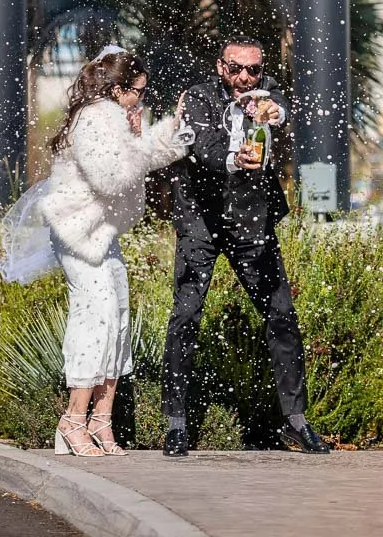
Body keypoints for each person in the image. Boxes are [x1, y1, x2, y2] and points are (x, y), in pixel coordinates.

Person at [161, 36, 329, 456]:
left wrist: (272, 113)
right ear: (221, 67)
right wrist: (238, 158)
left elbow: (281, 110)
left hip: (252, 222)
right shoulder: (198, 98)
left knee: (282, 316)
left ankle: (296, 421)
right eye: (236, 68)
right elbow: (205, 148)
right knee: (186, 316)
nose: (244, 77)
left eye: (252, 69)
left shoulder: (266, 94)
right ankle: (175, 424)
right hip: (201, 220)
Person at [40, 46, 192, 456]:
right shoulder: (94, 118)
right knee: (95, 315)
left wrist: (176, 129)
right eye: (139, 92)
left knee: (117, 316)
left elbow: (146, 158)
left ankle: (101, 423)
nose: (142, 99)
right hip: (76, 234)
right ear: (121, 89)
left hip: (99, 234)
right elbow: (112, 178)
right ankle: (72, 421)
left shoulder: (115, 117)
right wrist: (141, 139)